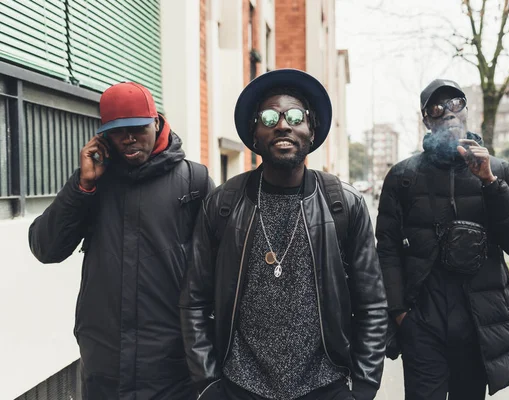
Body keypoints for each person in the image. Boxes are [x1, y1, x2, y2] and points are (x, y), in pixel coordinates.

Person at [179, 69, 387, 400]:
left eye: (294, 116)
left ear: (311, 129)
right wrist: (207, 383)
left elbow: (373, 304)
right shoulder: (223, 204)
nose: (282, 124)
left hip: (325, 385)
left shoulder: (343, 205)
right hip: (239, 386)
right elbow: (194, 302)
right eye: (269, 117)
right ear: (254, 133)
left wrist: (363, 386)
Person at [29, 82, 213, 400]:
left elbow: (217, 274)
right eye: (118, 131)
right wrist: (82, 186)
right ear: (103, 136)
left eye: (138, 128)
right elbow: (46, 248)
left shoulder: (193, 181)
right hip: (104, 366)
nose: (129, 138)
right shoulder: (93, 182)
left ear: (156, 122)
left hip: (171, 370)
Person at [376, 79, 509, 400]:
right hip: (422, 322)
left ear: (467, 111)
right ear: (426, 119)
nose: (448, 114)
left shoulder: (501, 172)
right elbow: (387, 250)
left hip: (479, 322)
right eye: (437, 108)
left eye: (455, 104)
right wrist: (399, 314)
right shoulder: (403, 176)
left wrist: (490, 182)